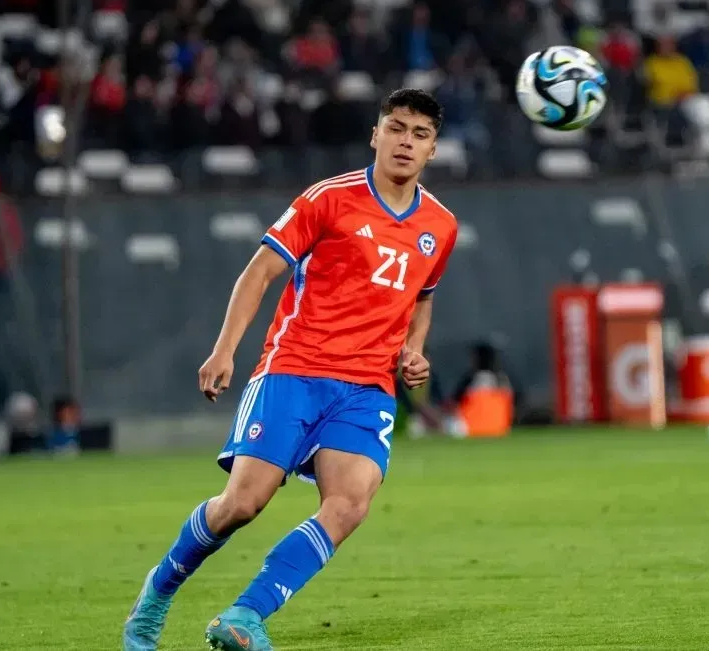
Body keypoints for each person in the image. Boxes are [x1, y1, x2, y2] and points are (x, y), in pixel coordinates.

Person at [123, 89, 458, 651]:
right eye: (397, 128)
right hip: (295, 368)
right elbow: (259, 273)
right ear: (375, 135)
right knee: (242, 505)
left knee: (349, 504)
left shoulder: (440, 225)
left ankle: (245, 615)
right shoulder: (328, 198)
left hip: (367, 387)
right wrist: (225, 349)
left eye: (420, 134)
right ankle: (156, 594)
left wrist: (413, 350)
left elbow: (421, 295)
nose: (406, 142)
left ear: (432, 150)